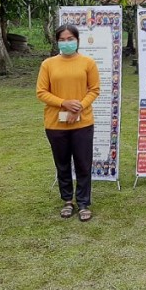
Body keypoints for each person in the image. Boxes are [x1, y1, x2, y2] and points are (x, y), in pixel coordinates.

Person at [37, 24, 100, 222]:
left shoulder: (88, 63)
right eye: (62, 39)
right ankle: (67, 201)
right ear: (57, 42)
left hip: (82, 123)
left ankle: (83, 203)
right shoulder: (48, 64)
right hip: (55, 124)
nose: (66, 43)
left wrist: (79, 106)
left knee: (83, 164)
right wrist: (64, 103)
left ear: (77, 40)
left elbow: (94, 89)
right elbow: (41, 92)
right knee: (62, 164)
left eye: (70, 39)